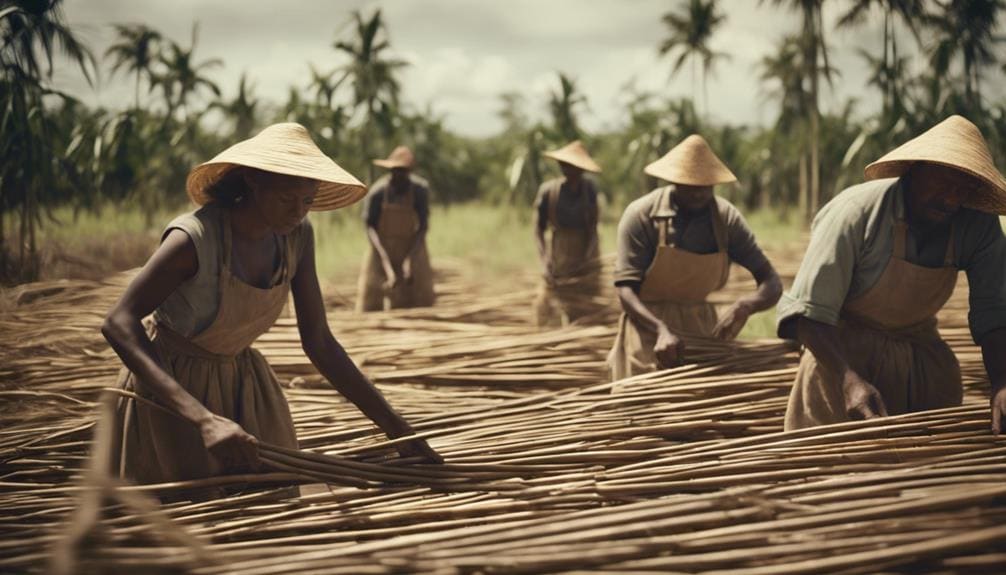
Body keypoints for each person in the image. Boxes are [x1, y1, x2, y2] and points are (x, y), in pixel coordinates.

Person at [102, 123, 441, 490]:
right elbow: (119, 322)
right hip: (172, 397)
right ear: (253, 181)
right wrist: (202, 419)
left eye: (307, 201)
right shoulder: (193, 240)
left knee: (266, 513)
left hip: (244, 388)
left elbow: (320, 343)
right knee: (191, 521)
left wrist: (397, 429)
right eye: (285, 199)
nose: (297, 212)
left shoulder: (296, 236)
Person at [777, 115, 1006, 433]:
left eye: (962, 187)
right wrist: (849, 381)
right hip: (839, 357)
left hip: (920, 359)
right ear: (915, 169)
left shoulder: (978, 224)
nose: (951, 198)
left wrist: (1001, 382)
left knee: (927, 473)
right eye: (943, 181)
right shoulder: (856, 214)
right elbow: (807, 316)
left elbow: (994, 314)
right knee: (832, 470)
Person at [608, 134, 782, 380]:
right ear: (674, 180)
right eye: (690, 185)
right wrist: (660, 329)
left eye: (705, 185)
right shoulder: (642, 216)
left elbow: (771, 282)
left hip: (702, 331)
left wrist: (746, 306)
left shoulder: (726, 220)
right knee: (645, 409)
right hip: (647, 329)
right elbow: (625, 291)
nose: (698, 193)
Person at [533, 140, 605, 327]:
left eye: (573, 166)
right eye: (564, 165)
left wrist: (590, 257)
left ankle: (581, 330)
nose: (568, 169)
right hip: (560, 253)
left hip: (585, 250)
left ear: (581, 169)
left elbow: (593, 226)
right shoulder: (549, 191)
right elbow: (538, 229)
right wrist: (545, 260)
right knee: (555, 299)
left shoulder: (589, 190)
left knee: (585, 302)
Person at [356, 146, 435, 312]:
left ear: (409, 172)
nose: (399, 175)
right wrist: (385, 260)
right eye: (395, 171)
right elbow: (370, 226)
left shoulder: (419, 190)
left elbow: (423, 226)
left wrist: (410, 260)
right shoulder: (377, 192)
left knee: (418, 297)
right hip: (381, 248)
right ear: (390, 170)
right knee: (374, 300)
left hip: (412, 246)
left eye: (403, 171)